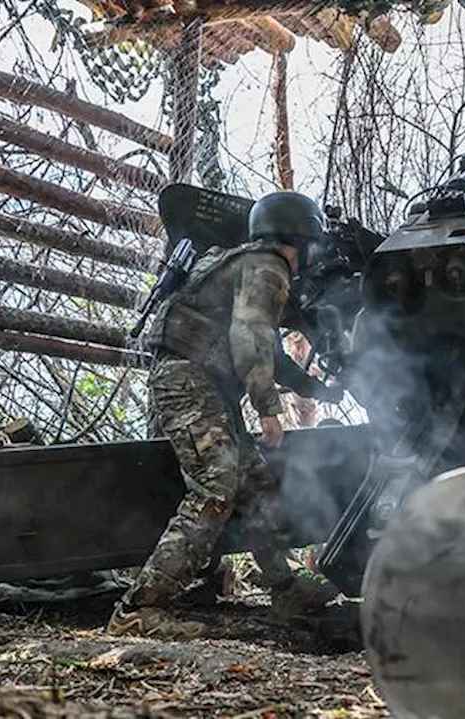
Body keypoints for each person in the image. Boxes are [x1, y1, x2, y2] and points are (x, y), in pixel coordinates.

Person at [107, 191, 337, 640]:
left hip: (201, 383)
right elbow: (249, 338)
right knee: (217, 484)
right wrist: (270, 409)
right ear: (303, 236)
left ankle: (286, 589)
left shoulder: (245, 261)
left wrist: (316, 389)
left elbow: (266, 349)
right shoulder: (268, 266)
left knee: (257, 486)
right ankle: (139, 608)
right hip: (190, 380)